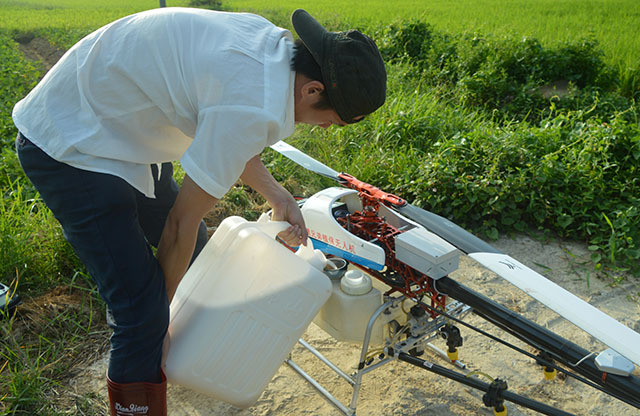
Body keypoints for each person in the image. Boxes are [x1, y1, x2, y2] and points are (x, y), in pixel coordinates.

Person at [13, 7, 386, 415]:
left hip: (121, 123)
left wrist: (277, 194)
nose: (327, 128)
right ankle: (141, 376)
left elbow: (228, 134)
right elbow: (180, 221)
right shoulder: (253, 103)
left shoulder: (271, 51)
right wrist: (158, 322)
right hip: (70, 142)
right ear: (312, 90)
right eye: (333, 121)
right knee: (141, 313)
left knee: (194, 255)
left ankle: (172, 354)